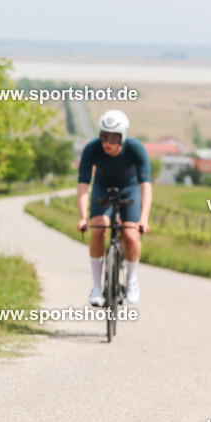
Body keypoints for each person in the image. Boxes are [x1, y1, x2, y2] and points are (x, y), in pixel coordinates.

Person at [76, 109, 151, 306]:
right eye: (104, 136)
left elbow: (146, 187)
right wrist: (83, 217)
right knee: (98, 229)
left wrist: (143, 218)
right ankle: (96, 287)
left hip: (130, 189)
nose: (107, 142)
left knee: (130, 236)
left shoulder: (135, 148)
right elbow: (83, 186)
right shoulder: (92, 149)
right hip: (103, 189)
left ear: (123, 137)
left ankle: (132, 279)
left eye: (113, 138)